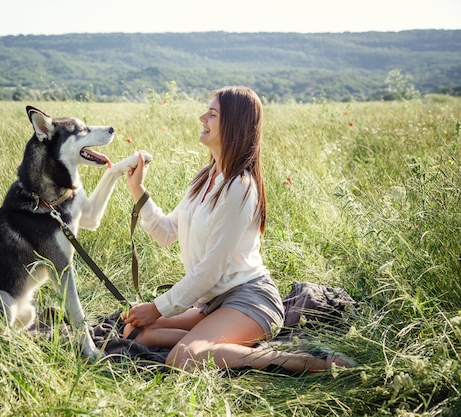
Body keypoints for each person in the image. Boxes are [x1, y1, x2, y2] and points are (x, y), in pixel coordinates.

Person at [122, 86, 348, 373]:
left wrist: (157, 307)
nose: (202, 117)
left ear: (233, 125)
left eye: (212, 114)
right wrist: (137, 190)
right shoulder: (204, 179)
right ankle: (230, 347)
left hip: (250, 300)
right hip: (212, 303)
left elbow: (210, 270)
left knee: (182, 358)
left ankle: (308, 362)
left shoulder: (239, 188)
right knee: (134, 331)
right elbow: (166, 233)